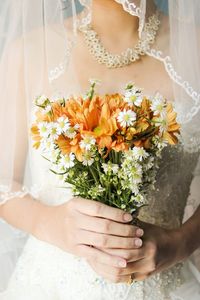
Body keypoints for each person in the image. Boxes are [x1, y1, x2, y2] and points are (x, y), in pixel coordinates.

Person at [0, 0, 200, 299]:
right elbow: (4, 184)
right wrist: (49, 222)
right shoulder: (28, 52)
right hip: (50, 286)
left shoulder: (194, 47)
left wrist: (180, 242)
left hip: (165, 283)